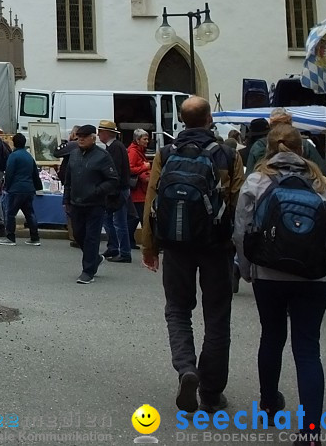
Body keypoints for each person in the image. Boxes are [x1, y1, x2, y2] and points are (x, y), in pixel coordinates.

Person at [234, 124, 326, 440]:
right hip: (314, 276)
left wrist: (246, 269)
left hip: (268, 274)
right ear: (302, 149)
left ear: (268, 149)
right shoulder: (320, 183)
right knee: (308, 348)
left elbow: (241, 231)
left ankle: (270, 404)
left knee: (271, 337)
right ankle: (310, 431)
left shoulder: (256, 181)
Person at [140, 96, 244, 414]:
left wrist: (150, 246)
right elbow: (238, 202)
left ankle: (187, 369)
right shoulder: (227, 153)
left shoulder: (165, 152)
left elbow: (152, 199)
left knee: (177, 311)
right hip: (216, 246)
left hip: (176, 244)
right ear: (209, 118)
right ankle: (211, 392)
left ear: (182, 121)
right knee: (216, 318)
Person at [63, 124, 119, 284]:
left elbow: (113, 180)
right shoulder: (73, 155)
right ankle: (94, 258)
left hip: (95, 204)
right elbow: (68, 179)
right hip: (76, 203)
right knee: (79, 235)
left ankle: (88, 271)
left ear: (93, 138)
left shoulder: (102, 156)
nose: (80, 139)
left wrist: (97, 191)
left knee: (91, 238)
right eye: (78, 136)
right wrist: (66, 199)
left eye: (84, 136)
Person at [246, 109, 326, 174]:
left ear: (270, 127)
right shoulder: (305, 145)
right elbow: (322, 173)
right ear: (291, 124)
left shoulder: (260, 145)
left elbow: (248, 181)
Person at [98, 120, 133, 263]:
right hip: (117, 189)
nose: (98, 134)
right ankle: (113, 246)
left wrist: (111, 189)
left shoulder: (115, 148)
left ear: (106, 133)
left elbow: (115, 171)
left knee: (119, 222)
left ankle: (124, 252)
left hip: (117, 190)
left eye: (100, 132)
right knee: (109, 220)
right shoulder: (114, 147)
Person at [0, 132, 40, 246]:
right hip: (29, 188)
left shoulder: (13, 156)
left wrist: (6, 186)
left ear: (14, 143)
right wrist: (37, 187)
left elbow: (9, 172)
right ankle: (35, 237)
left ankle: (10, 237)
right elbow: (35, 172)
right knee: (29, 213)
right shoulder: (29, 156)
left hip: (16, 189)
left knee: (10, 213)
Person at [128, 129, 152, 250]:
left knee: (137, 217)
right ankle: (149, 242)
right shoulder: (133, 152)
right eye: (145, 139)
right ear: (137, 140)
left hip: (139, 190)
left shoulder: (138, 151)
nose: (147, 141)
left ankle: (130, 241)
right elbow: (130, 169)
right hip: (137, 190)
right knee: (141, 216)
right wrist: (144, 167)